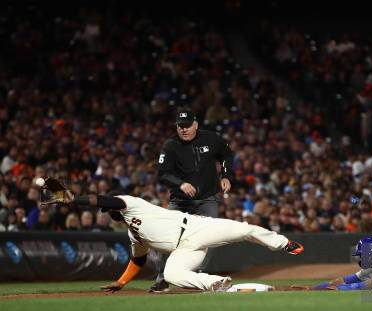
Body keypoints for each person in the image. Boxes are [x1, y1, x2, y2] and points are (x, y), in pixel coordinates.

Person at [46, 187, 304, 292]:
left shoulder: (131, 204)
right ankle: (217, 283)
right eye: (107, 212)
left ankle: (283, 243)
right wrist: (121, 282)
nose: (108, 212)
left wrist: (74, 199)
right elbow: (138, 259)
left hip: (195, 228)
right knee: (171, 275)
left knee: (244, 230)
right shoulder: (132, 232)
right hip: (184, 249)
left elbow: (103, 200)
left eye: (108, 209)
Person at [150, 108, 235, 293]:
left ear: (196, 124)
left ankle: (201, 276)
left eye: (188, 125)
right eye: (180, 126)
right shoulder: (170, 145)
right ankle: (162, 278)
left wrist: (227, 175)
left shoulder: (212, 139)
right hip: (180, 201)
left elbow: (227, 155)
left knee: (209, 238)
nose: (184, 129)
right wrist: (180, 184)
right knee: (167, 239)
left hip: (207, 199)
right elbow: (163, 173)